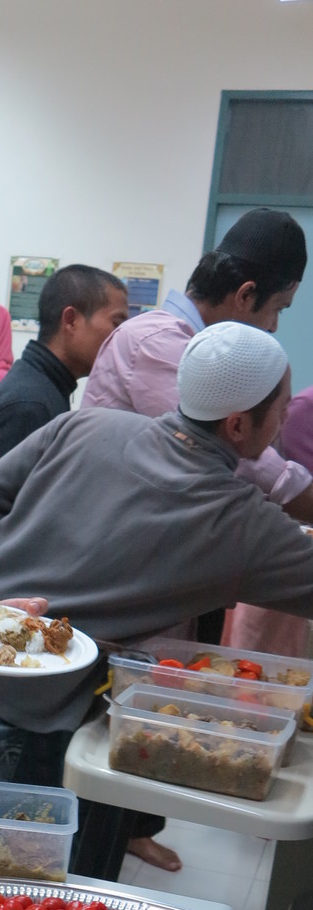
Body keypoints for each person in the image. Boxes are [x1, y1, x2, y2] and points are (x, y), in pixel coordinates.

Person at [0, 322, 313, 879]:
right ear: (239, 424)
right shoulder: (239, 522)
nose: (285, 420)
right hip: (19, 717)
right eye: (282, 409)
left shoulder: (85, 424)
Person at [83, 208, 313, 653]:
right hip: (121, 584)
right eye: (277, 309)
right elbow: (241, 457)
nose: (274, 327)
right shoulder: (159, 342)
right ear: (245, 296)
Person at [0, 266, 128, 496]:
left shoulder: (45, 387)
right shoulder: (28, 405)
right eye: (117, 324)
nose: (123, 336)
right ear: (71, 321)